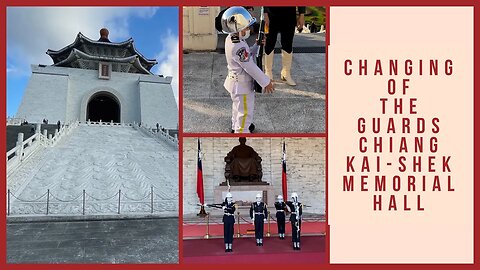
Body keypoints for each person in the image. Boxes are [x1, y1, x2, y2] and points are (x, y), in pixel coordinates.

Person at [221, 6, 275, 133]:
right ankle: (242, 132)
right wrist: (265, 81)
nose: (248, 29)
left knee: (237, 109)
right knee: (245, 113)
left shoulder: (233, 39)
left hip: (235, 84)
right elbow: (249, 66)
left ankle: (235, 127)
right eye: (246, 27)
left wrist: (256, 45)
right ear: (237, 28)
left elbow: (245, 56)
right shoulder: (238, 45)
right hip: (242, 86)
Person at [263, 7, 306, 86]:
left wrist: (301, 14)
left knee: (288, 44)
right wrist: (265, 14)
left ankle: (286, 73)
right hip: (271, 13)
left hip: (289, 13)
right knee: (269, 43)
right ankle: (268, 72)